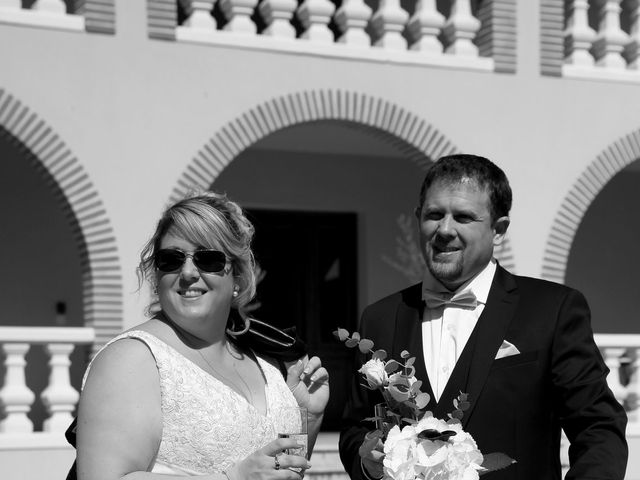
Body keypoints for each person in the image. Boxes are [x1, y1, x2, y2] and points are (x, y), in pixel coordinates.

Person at [339, 154, 627, 480]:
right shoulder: (379, 318)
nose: (444, 229)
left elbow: (597, 427)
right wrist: (367, 462)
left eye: (463, 217)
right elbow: (354, 429)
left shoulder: (553, 310)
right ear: (419, 218)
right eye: (434, 215)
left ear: (498, 230)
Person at [72, 191, 329, 479]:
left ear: (238, 278)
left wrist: (308, 415)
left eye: (208, 259)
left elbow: (284, 470)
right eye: (171, 259)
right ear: (156, 277)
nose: (188, 272)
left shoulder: (263, 360)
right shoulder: (132, 360)